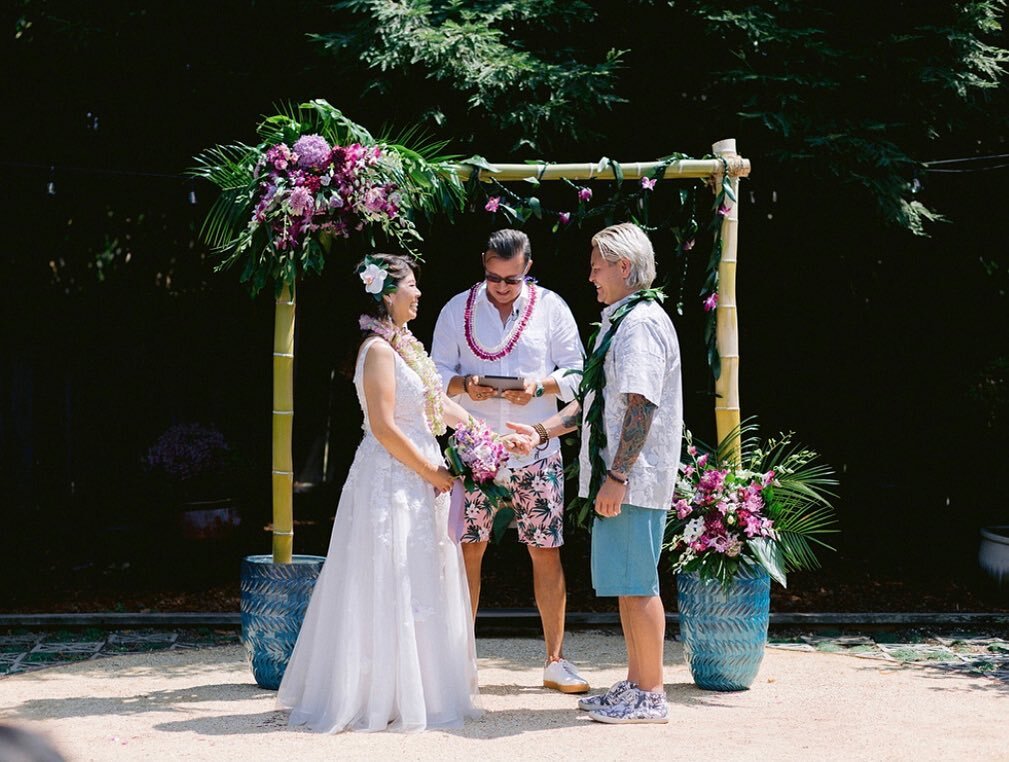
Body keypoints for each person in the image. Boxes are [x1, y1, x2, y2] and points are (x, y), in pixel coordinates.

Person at [278, 253, 521, 733]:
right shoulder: (378, 351)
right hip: (390, 479)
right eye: (412, 284)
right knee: (386, 575)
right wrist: (435, 473)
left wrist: (487, 437)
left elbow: (438, 404)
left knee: (419, 577)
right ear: (388, 294)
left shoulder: (406, 345)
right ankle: (376, 693)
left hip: (418, 476)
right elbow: (386, 429)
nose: (419, 293)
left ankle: (421, 689)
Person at [509, 222, 682, 724]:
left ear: (623, 267)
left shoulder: (641, 324)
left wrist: (619, 476)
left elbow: (641, 405)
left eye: (597, 266)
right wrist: (540, 433)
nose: (590, 276)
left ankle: (650, 694)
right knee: (627, 582)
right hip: (622, 477)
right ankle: (634, 682)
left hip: (633, 479)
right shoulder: (621, 320)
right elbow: (595, 403)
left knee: (638, 583)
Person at [431, 229, 589, 694]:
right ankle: (459, 662)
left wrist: (538, 387)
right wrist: (464, 385)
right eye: (494, 277)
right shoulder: (455, 309)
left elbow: (579, 373)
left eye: (513, 279)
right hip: (473, 448)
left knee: (546, 551)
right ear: (483, 262)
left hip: (535, 449)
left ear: (527, 267)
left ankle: (555, 660)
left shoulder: (553, 307)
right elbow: (432, 372)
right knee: (466, 552)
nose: (502, 287)